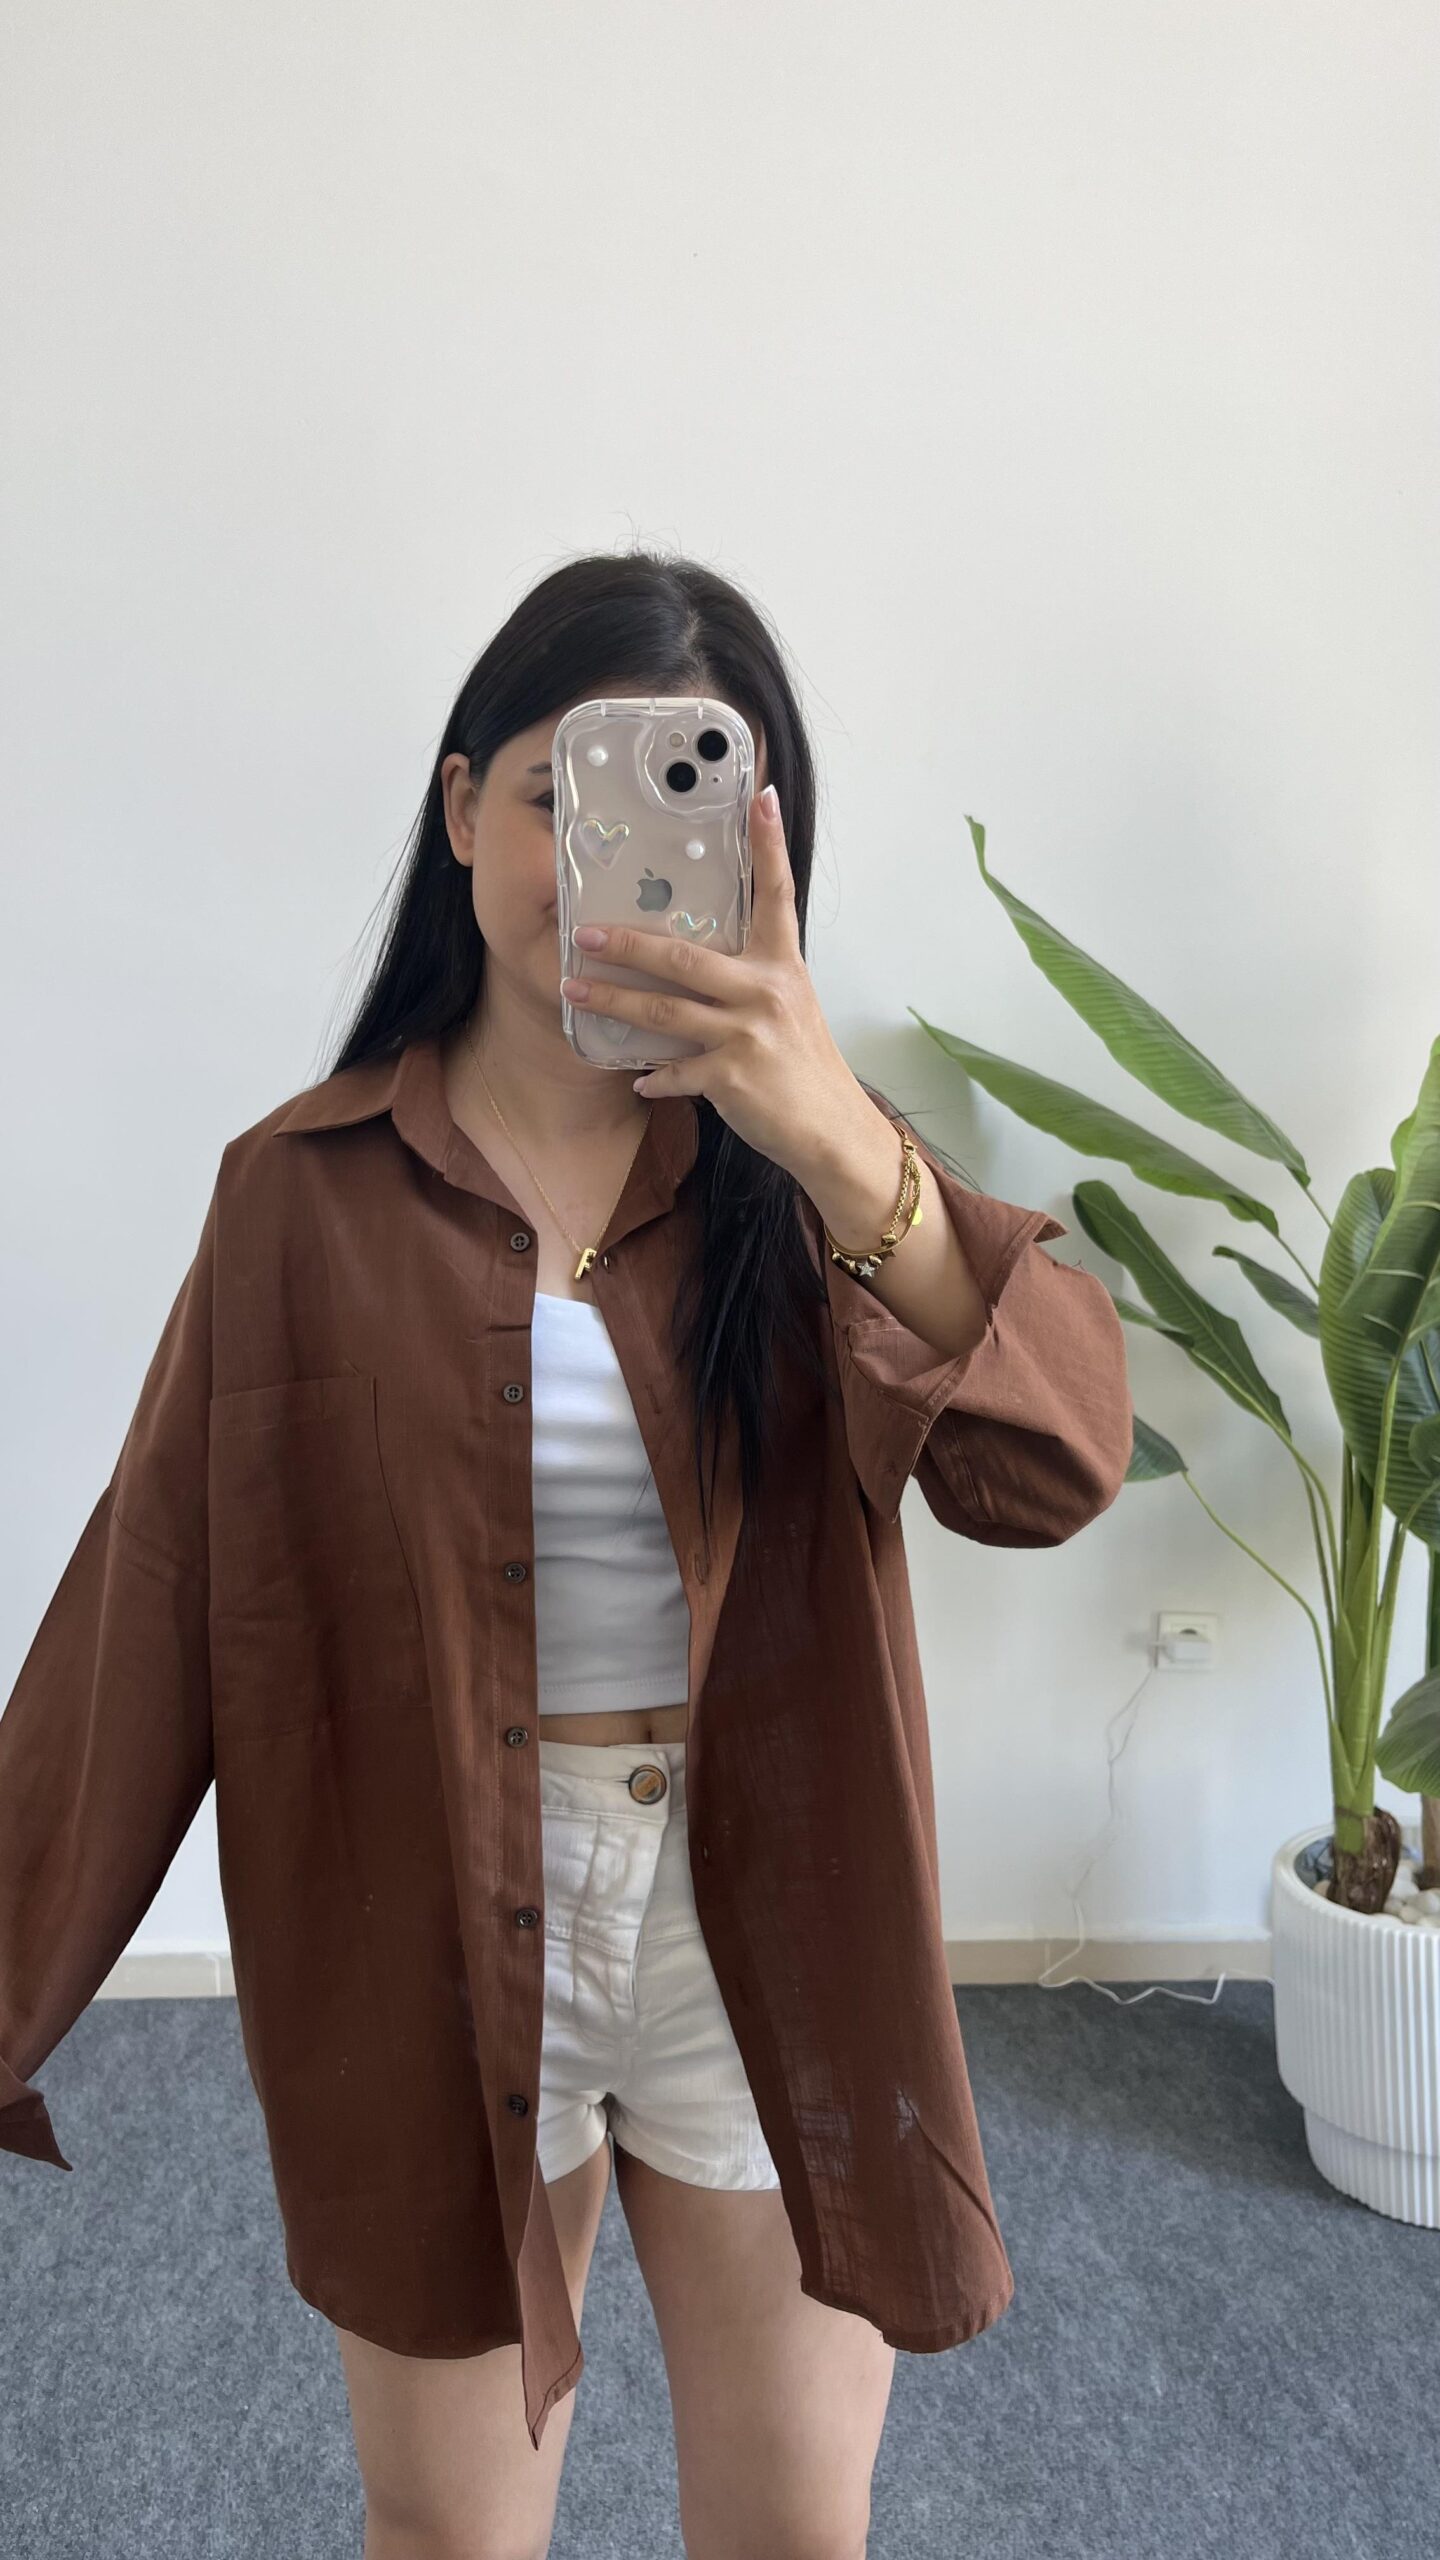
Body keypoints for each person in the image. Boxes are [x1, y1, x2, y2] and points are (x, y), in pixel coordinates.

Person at [0, 550, 1133, 2559]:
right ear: (460, 813)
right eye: (556, 794)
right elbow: (154, 1598)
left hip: (760, 1902)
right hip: (433, 1914)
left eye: (695, 794)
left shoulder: (817, 1178)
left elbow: (1054, 1466)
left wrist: (833, 1135)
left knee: (791, 2527)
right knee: (448, 2532)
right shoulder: (300, 1197)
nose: (604, 855)